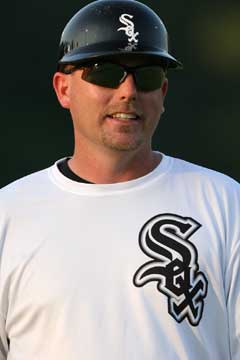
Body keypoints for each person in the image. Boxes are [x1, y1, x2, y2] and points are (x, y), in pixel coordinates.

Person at [0, 0, 239, 358]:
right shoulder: (9, 214)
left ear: (163, 92)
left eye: (147, 75)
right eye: (105, 72)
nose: (128, 91)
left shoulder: (225, 204)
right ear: (64, 88)